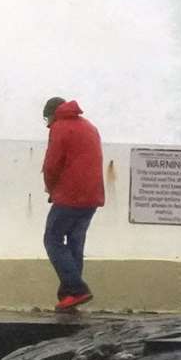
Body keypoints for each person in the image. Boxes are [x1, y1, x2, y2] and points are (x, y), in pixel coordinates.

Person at [40, 96, 104, 311]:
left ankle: (76, 289)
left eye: (47, 119)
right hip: (92, 196)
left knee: (53, 239)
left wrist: (51, 188)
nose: (47, 124)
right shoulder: (89, 126)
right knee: (75, 242)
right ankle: (69, 296)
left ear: (51, 115)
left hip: (70, 196)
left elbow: (51, 165)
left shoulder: (60, 128)